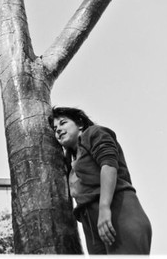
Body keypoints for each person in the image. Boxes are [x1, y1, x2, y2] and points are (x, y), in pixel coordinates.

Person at [49, 106, 152, 255]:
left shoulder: (94, 133)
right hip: (92, 226)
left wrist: (104, 208)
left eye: (63, 123)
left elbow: (109, 165)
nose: (58, 129)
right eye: (55, 128)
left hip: (117, 212)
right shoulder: (70, 162)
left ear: (80, 124)